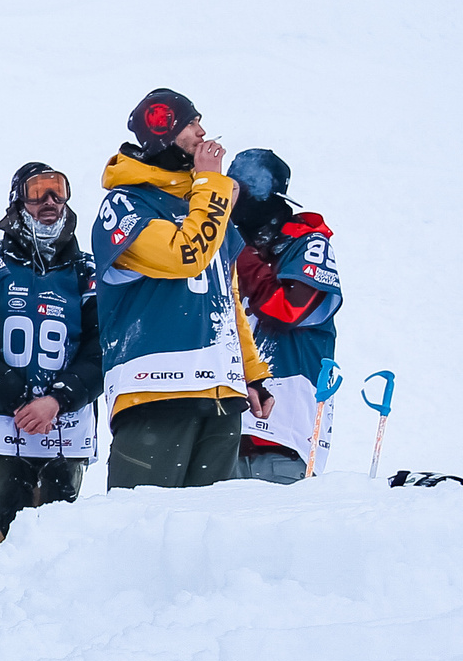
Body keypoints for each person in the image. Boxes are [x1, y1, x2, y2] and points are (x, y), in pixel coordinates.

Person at [91, 89, 275, 489]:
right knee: (139, 529)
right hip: (155, 390)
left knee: (205, 535)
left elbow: (227, 302)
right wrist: (210, 183)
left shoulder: (205, 201)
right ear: (163, 131)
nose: (203, 131)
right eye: (191, 123)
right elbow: (184, 255)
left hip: (221, 394)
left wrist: (251, 372)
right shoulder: (125, 205)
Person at [0, 162, 104, 539]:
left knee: (50, 549)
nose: (49, 201)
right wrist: (12, 395)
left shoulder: (85, 271)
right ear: (17, 201)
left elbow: (103, 350)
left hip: (64, 431)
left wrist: (59, 399)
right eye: (37, 191)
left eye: (57, 190)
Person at [227, 150, 344, 482]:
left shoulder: (307, 240)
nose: (235, 201)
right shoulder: (219, 247)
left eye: (244, 191)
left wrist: (239, 253)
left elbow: (288, 310)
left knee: (276, 533)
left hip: (284, 440)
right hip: (222, 438)